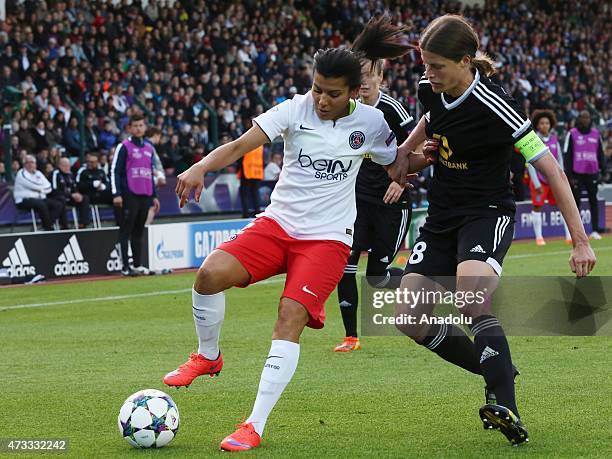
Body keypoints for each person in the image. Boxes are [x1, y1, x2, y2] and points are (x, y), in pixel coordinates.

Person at [163, 17, 413, 452]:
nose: (321, 99)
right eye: (317, 88)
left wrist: (418, 163)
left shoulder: (372, 123)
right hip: (278, 225)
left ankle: (253, 425)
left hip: (328, 239)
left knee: (289, 317)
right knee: (208, 275)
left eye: (332, 93)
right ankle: (207, 356)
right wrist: (201, 166)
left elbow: (397, 160)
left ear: (354, 92)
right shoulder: (294, 108)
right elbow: (242, 145)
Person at [386, 15, 596, 446]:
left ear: (466, 62)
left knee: (470, 296)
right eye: (425, 65)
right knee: (408, 317)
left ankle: (507, 405)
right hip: (443, 215)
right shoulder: (432, 90)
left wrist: (579, 240)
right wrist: (405, 155)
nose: (428, 74)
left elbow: (552, 171)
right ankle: (494, 365)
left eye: (438, 65)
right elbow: (430, 119)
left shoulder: (496, 105)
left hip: (486, 212)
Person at [334, 23, 417, 352]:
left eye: (371, 74)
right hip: (356, 205)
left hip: (391, 206)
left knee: (377, 278)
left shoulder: (394, 111)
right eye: (360, 75)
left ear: (381, 78)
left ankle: (419, 283)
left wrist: (401, 179)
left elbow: (418, 150)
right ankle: (351, 337)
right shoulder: (347, 112)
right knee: (346, 267)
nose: (365, 81)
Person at [111, 114, 160, 276]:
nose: (139, 128)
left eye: (141, 125)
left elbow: (150, 173)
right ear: (130, 128)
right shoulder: (124, 147)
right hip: (129, 194)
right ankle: (125, 266)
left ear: (145, 127)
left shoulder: (149, 147)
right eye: (135, 125)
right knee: (126, 230)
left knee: (139, 230)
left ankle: (137, 265)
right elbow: (115, 171)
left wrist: (154, 195)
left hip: (145, 194)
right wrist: (116, 193)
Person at [526, 110, 571, 245]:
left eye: (547, 123)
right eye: (542, 123)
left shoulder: (555, 139)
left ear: (551, 124)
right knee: (537, 206)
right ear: (537, 125)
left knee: (563, 205)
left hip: (554, 180)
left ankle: (569, 236)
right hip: (539, 180)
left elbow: (559, 160)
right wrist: (536, 182)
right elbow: (530, 162)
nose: (544, 125)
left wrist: (561, 178)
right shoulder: (533, 139)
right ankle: (539, 237)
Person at [564, 110, 608, 239]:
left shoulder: (596, 134)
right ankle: (576, 232)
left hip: (592, 173)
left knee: (593, 201)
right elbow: (567, 154)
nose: (585, 120)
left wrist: (603, 170)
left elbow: (600, 153)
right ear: (579, 119)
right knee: (575, 202)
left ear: (590, 119)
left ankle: (594, 230)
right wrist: (569, 175)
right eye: (583, 117)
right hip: (577, 174)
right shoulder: (572, 134)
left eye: (587, 117)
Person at [13, 154, 65, 230]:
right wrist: (42, 188)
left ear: (35, 164)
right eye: (28, 163)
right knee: (41, 204)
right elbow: (32, 185)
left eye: (32, 162)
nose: (30, 164)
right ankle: (48, 228)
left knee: (58, 204)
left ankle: (49, 224)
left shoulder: (38, 173)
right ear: (24, 164)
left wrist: (40, 189)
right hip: (23, 200)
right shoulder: (21, 174)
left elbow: (49, 187)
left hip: (39, 198)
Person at [50, 157, 91, 228]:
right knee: (61, 199)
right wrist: (71, 195)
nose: (67, 167)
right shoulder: (55, 174)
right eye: (64, 165)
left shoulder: (70, 174)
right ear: (59, 165)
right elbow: (54, 190)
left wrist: (77, 194)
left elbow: (75, 188)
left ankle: (83, 224)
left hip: (70, 197)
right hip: (58, 197)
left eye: (68, 165)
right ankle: (64, 225)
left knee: (85, 198)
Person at [238, 140, 264, 218]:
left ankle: (245, 214)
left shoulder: (247, 141)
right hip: (257, 172)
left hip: (247, 171)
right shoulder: (260, 144)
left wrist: (238, 168)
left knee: (244, 194)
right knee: (255, 194)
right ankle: (257, 212)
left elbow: (240, 157)